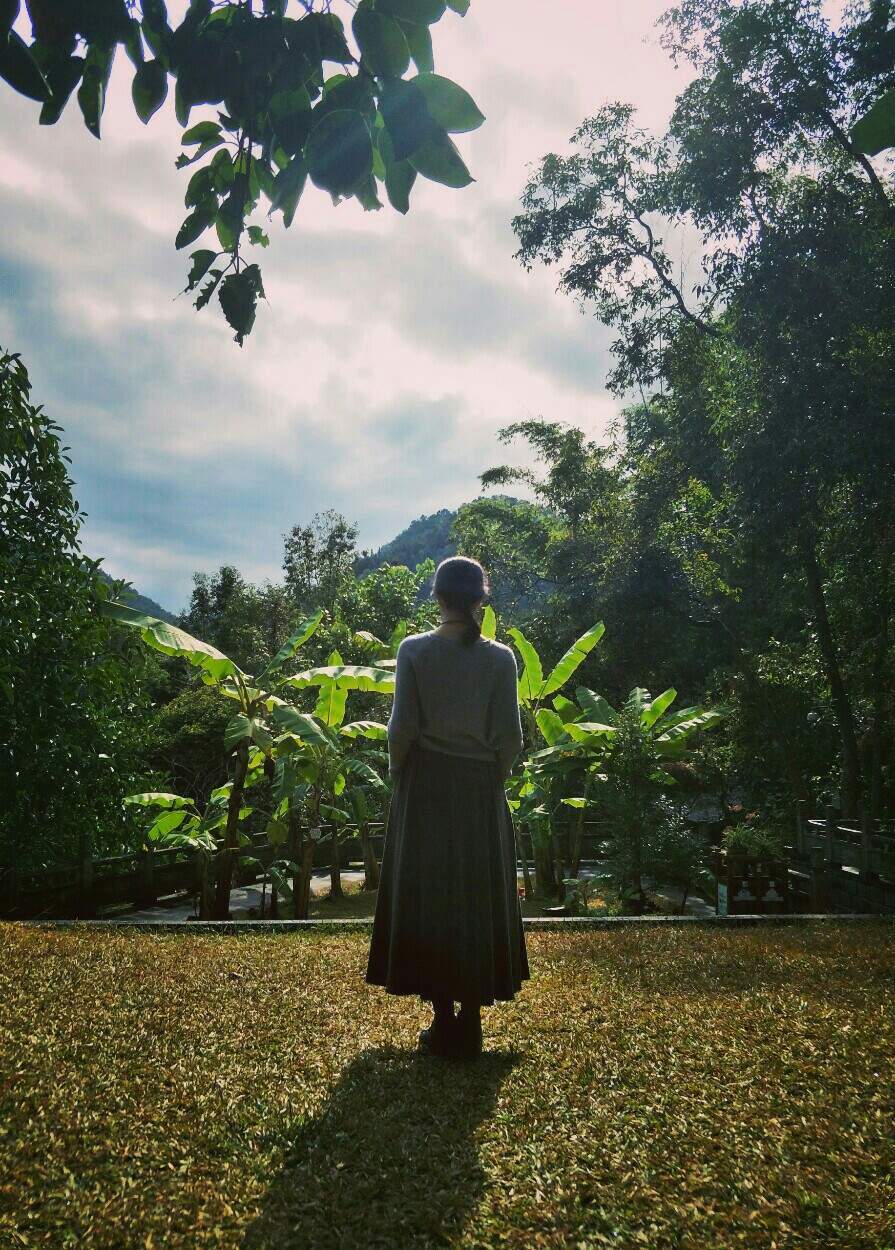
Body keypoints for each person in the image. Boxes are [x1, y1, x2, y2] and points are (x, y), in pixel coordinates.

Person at [365, 556, 530, 1060]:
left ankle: (441, 1021)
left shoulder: (414, 650)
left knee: (430, 893)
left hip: (427, 784)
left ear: (437, 597)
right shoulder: (500, 659)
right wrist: (487, 780)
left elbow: (401, 730)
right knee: (477, 894)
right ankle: (473, 1022)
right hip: (480, 787)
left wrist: (401, 777)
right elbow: (511, 739)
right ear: (481, 599)